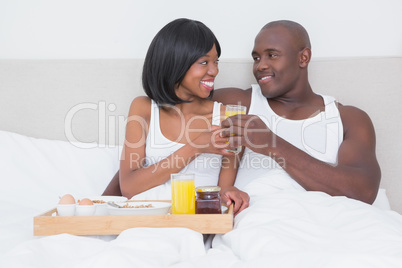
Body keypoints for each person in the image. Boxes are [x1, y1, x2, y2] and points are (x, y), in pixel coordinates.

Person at [216, 20, 381, 204]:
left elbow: (364, 192)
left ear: (303, 58)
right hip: (260, 222)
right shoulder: (239, 103)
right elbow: (180, 100)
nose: (260, 66)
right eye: (256, 58)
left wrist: (272, 144)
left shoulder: (348, 119)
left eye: (272, 55)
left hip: (328, 222)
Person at [102, 18, 249, 215]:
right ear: (175, 63)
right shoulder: (143, 108)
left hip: (193, 225)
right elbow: (129, 187)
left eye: (216, 62)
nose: (214, 71)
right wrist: (196, 146)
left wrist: (233, 193)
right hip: (144, 221)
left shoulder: (227, 117)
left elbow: (222, 193)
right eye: (204, 62)